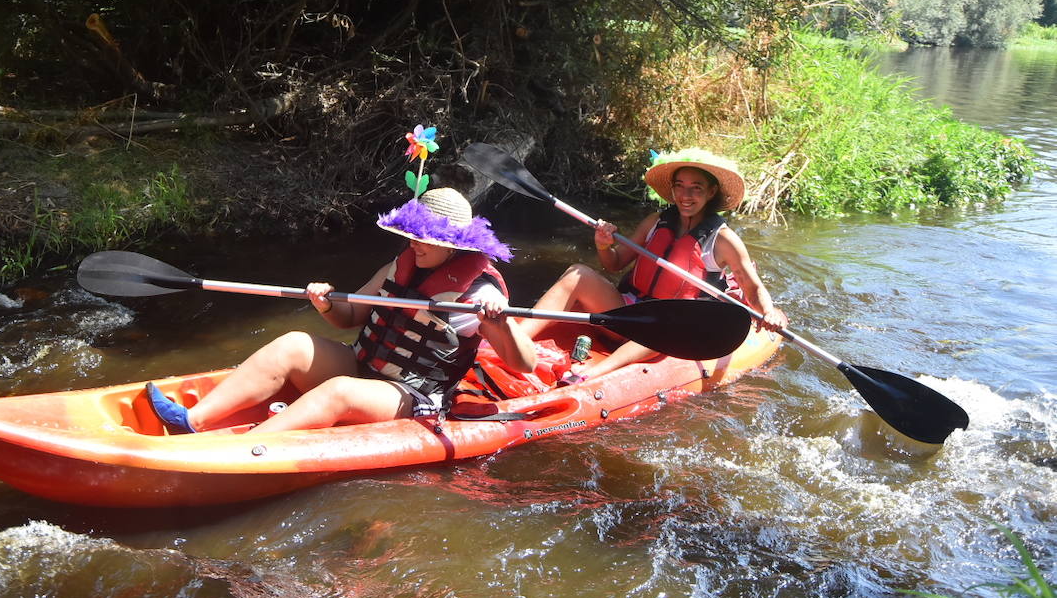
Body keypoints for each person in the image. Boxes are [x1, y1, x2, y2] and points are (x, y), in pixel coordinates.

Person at [145, 187, 536, 434]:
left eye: (425, 240)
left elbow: (525, 364)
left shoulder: (480, 292)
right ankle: (191, 422)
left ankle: (247, 447)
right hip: (362, 364)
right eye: (412, 237)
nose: (414, 244)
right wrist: (326, 304)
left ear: (454, 245)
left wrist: (499, 323)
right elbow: (349, 318)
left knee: (339, 391)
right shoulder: (399, 267)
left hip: (413, 396)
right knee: (294, 344)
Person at [520, 147, 788, 380]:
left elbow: (752, 287)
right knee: (578, 273)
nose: (686, 195)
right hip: (627, 312)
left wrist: (768, 311)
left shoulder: (724, 241)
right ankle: (517, 338)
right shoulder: (655, 222)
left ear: (711, 192)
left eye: (696, 188)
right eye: (680, 186)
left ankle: (594, 374)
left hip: (668, 329)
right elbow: (614, 264)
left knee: (672, 323)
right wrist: (603, 244)